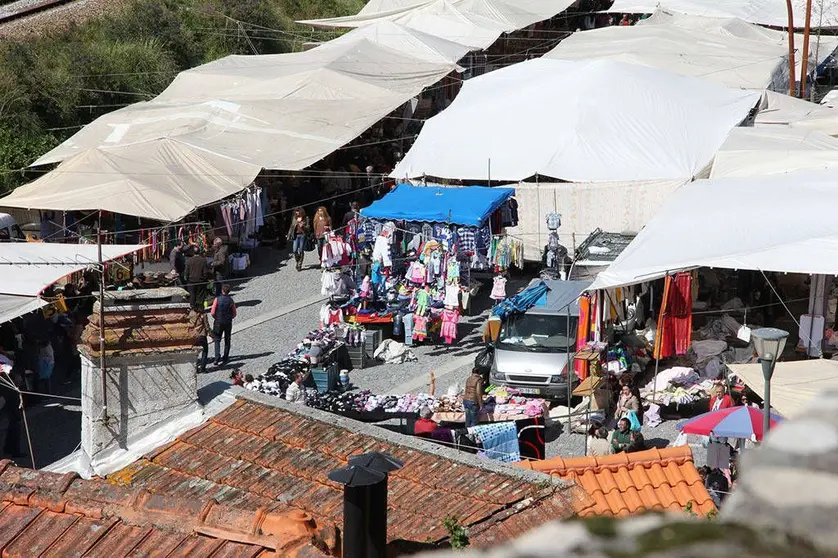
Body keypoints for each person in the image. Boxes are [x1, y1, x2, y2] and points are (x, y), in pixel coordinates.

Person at [210, 283, 237, 366]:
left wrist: (216, 317)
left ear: (222, 290)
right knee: (227, 340)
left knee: (217, 340)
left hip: (218, 322)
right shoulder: (231, 300)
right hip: (228, 322)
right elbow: (234, 313)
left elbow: (212, 312)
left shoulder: (217, 299)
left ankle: (217, 357)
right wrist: (229, 318)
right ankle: (225, 357)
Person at [188, 304, 211, 373]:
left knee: (195, 353)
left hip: (193, 336)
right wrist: (210, 334)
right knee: (205, 351)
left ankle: (195, 368)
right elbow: (207, 326)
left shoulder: (190, 314)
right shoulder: (203, 314)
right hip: (202, 335)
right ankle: (203, 368)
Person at [287, 207, 311, 271]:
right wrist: (289, 235)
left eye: (297, 211)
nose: (296, 212)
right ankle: (297, 261)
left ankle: (300, 264)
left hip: (302, 235)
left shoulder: (306, 218)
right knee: (294, 250)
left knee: (301, 250)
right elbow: (291, 227)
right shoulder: (294, 218)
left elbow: (308, 228)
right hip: (296, 236)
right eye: (296, 211)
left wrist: (303, 226)